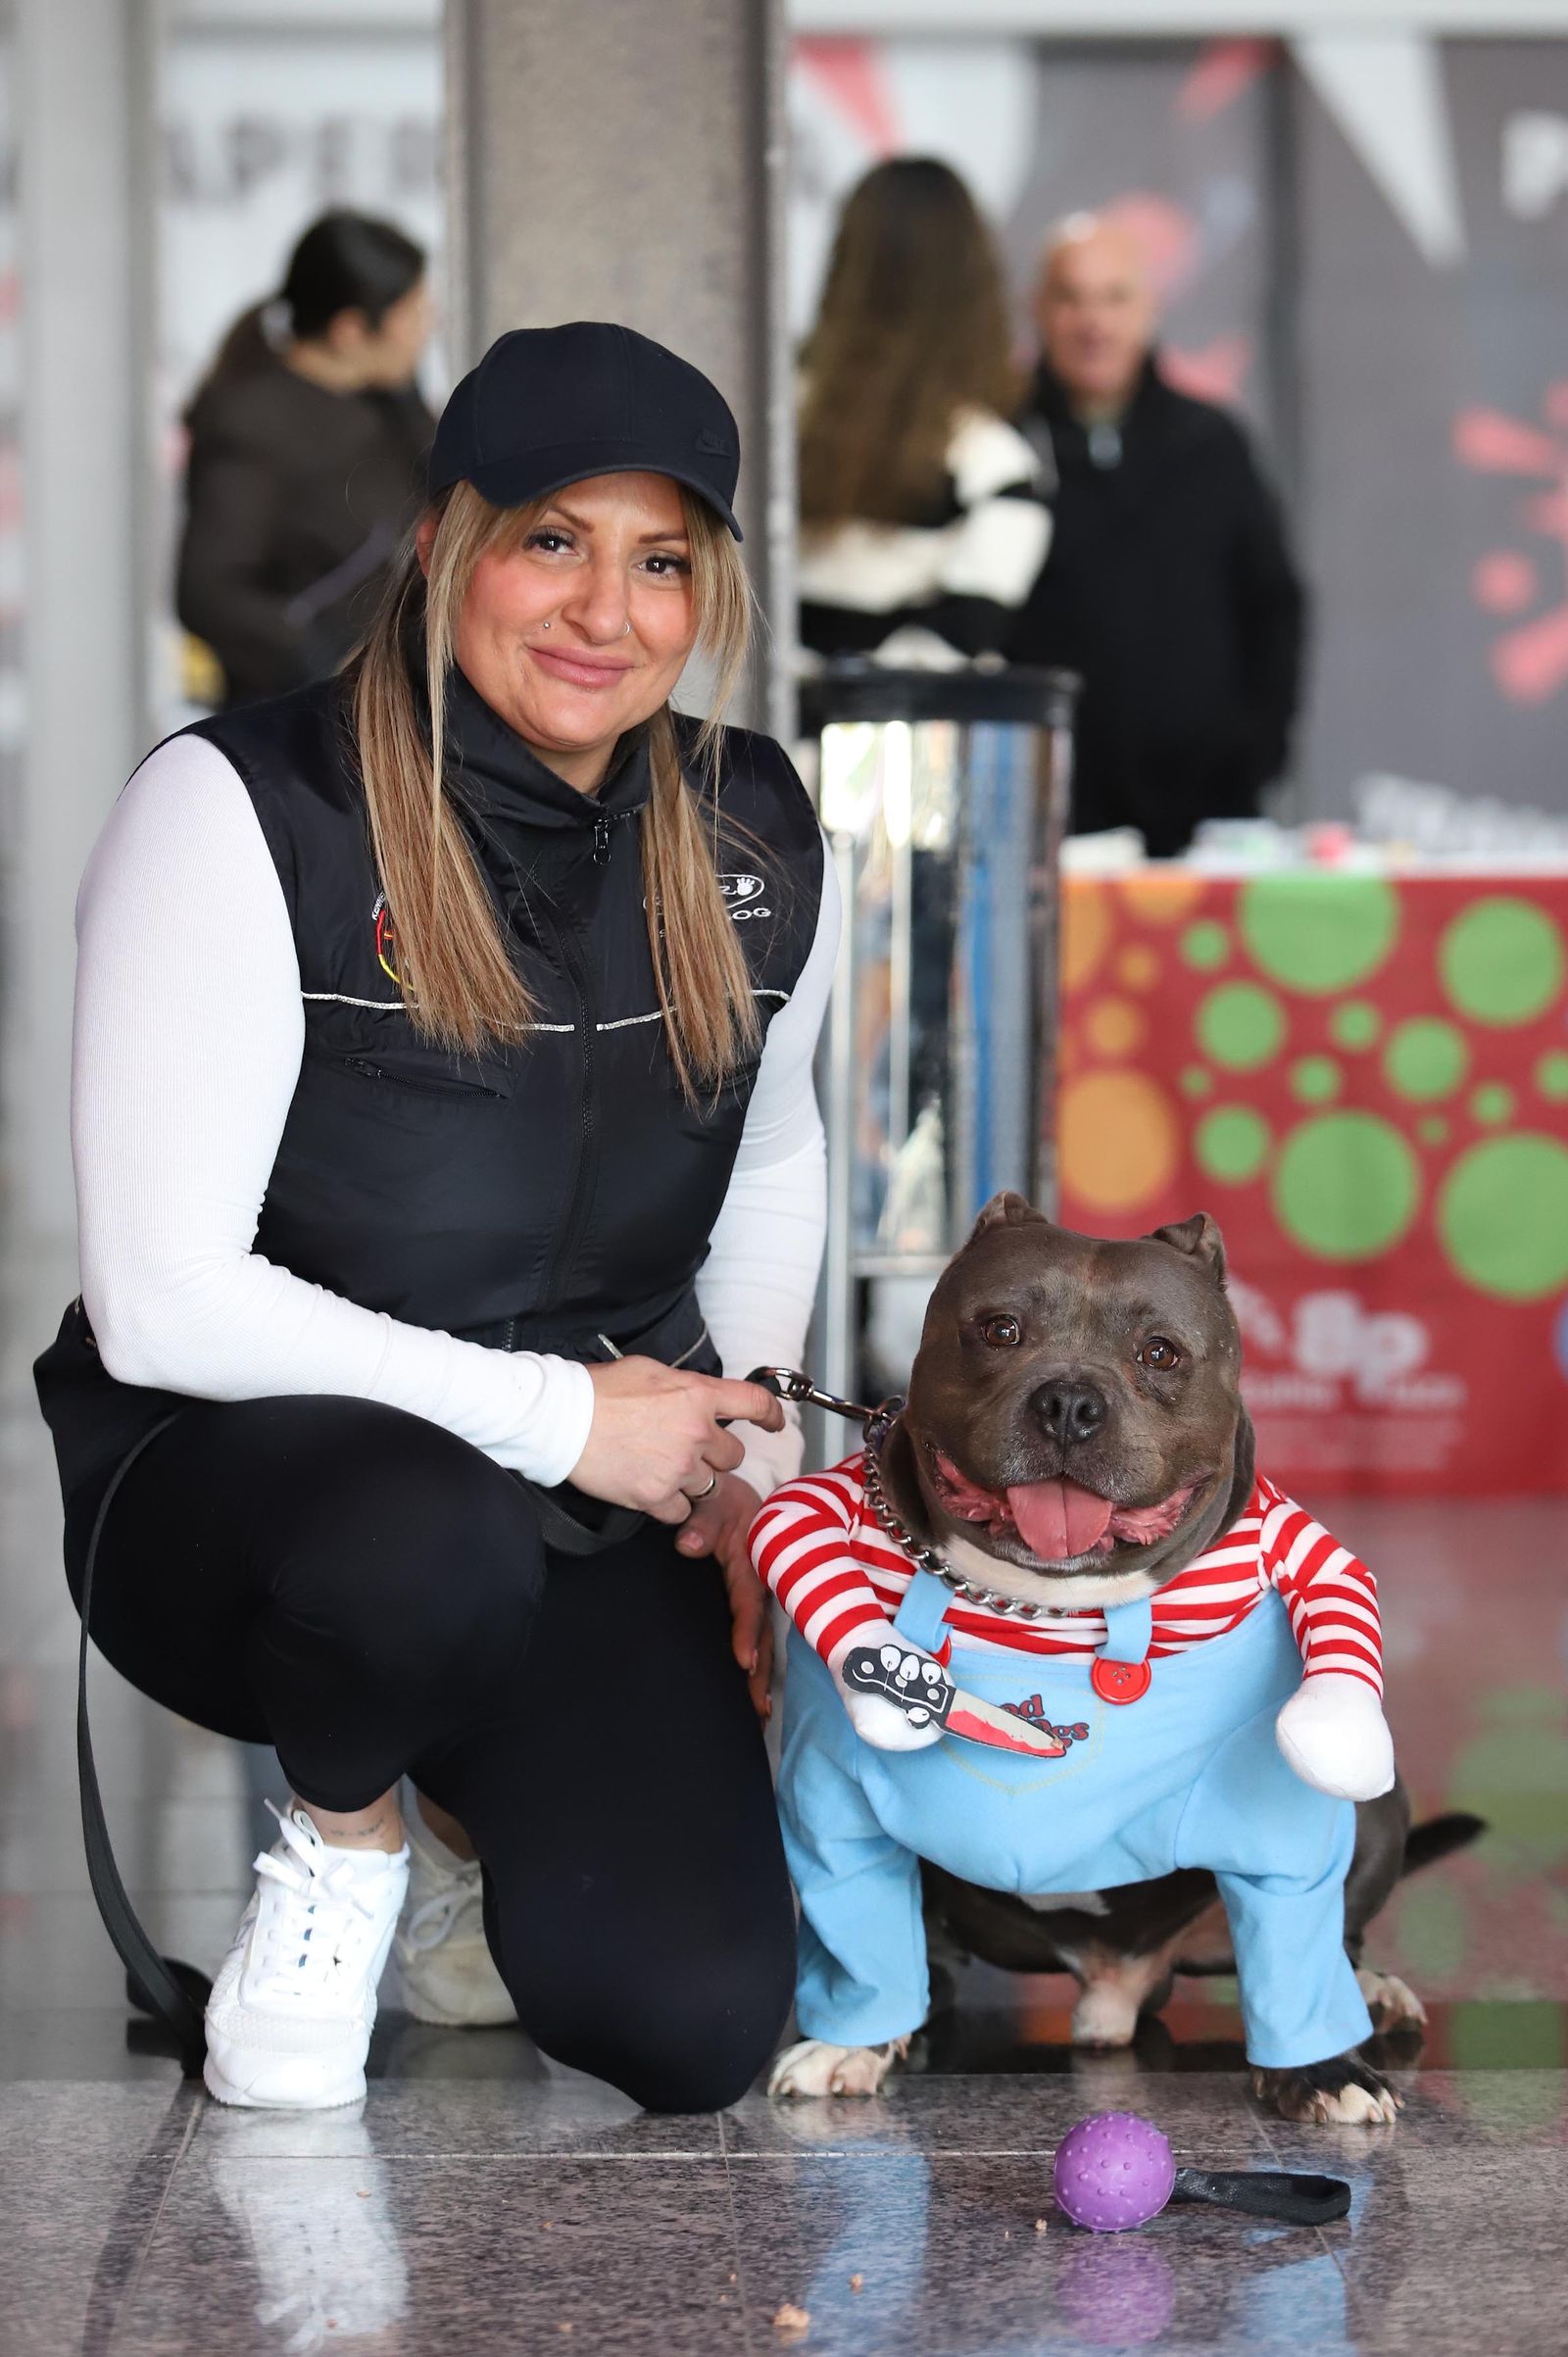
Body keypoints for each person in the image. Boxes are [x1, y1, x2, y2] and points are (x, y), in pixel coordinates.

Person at [35, 320, 839, 2116]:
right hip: (247, 1494)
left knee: (691, 2026)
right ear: (443, 545)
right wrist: (567, 1417)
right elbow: (163, 1300)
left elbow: (773, 1166)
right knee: (423, 1546)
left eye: (659, 562)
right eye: (552, 540)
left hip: (584, 1495)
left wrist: (745, 1440)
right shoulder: (248, 805)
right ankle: (344, 1835)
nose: (602, 613)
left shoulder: (760, 827)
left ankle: (466, 1819)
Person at [1010, 214, 1306, 857]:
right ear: (1037, 309)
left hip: (1208, 820)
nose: (1095, 323)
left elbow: (1273, 608)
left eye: (1116, 297)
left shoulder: (1212, 443)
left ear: (1149, 309)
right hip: (1041, 824)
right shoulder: (995, 446)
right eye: (1072, 298)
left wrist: (1255, 755)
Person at [797, 158, 1050, 667]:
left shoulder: (773, 420)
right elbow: (953, 644)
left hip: (753, 734)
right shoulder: (995, 462)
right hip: (896, 737)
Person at [177, 210, 436, 706]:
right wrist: (327, 663)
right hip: (303, 718)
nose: (426, 329)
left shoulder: (388, 402)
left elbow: (446, 493)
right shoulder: (253, 420)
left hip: (394, 707)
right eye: (413, 315)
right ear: (350, 330)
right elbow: (209, 592)